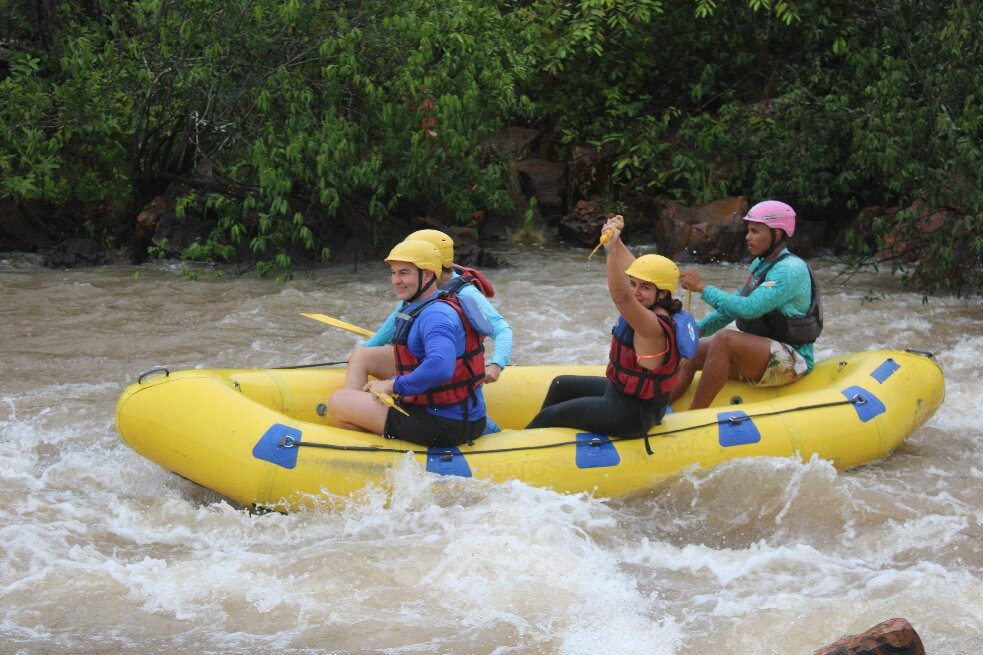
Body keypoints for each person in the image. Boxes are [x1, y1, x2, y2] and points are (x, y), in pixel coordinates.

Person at [525, 215, 685, 437]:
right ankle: (546, 441)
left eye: (645, 288)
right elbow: (637, 269)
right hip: (627, 397)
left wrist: (610, 255)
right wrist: (614, 242)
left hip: (630, 414)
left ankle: (527, 447)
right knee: (561, 385)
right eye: (633, 283)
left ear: (663, 293)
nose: (636, 291)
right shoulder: (659, 304)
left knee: (548, 416)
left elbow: (622, 297)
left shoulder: (652, 325)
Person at [326, 239, 487, 446]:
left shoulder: (436, 316)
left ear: (427, 275)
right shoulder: (426, 303)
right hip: (449, 414)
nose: (396, 280)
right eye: (393, 273)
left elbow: (441, 367)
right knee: (363, 355)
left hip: (446, 424)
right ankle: (363, 414)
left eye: (404, 273)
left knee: (338, 401)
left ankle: (371, 444)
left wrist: (392, 385)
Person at [670, 199, 823, 409]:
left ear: (777, 234)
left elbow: (749, 308)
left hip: (793, 360)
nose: (747, 237)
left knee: (725, 339)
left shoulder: (789, 270)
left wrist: (703, 288)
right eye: (748, 230)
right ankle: (657, 411)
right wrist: (696, 331)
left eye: (755, 231)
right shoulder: (760, 264)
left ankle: (695, 414)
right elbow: (732, 308)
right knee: (693, 352)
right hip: (762, 351)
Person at [345, 228, 513, 389]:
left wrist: (496, 365)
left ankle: (354, 401)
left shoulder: (466, 293)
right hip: (422, 359)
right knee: (363, 356)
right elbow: (393, 323)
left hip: (451, 368)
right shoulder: (417, 288)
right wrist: (366, 348)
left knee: (363, 358)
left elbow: (502, 329)